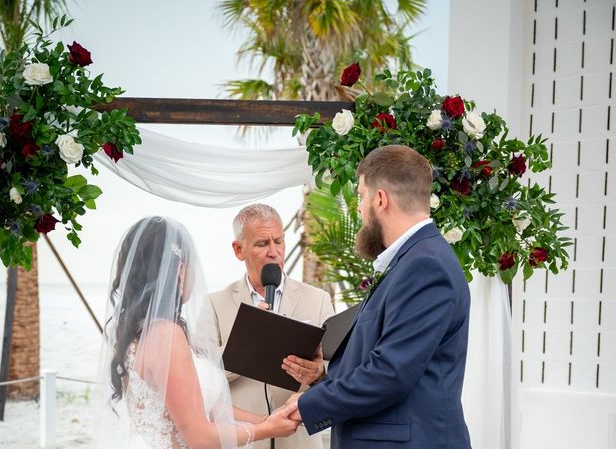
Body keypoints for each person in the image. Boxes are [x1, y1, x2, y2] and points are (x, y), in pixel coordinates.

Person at [286, 145, 472, 448]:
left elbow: (390, 373)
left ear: (381, 199)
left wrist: (307, 406)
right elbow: (388, 356)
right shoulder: (413, 261)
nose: (359, 208)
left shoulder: (426, 265)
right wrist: (325, 373)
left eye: (361, 196)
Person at [94, 216, 299, 449]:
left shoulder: (142, 330)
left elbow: (208, 407)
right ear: (180, 270)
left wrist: (268, 419)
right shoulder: (165, 335)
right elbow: (199, 436)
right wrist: (266, 430)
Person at [206, 204, 335, 449]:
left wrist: (318, 373)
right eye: (262, 244)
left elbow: (339, 370)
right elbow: (203, 379)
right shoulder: (214, 303)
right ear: (238, 249)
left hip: (300, 441)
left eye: (278, 241)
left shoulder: (317, 300)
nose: (274, 251)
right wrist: (247, 338)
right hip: (242, 441)